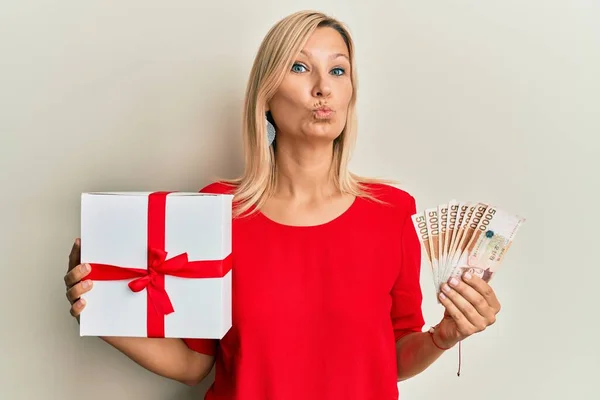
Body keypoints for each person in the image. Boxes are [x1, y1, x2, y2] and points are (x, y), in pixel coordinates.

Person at [63, 10, 501, 400]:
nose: (322, 88)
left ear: (351, 92)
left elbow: (394, 356)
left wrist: (444, 335)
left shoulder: (392, 210)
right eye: (299, 67)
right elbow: (194, 364)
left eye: (338, 70)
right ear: (267, 96)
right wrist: (98, 312)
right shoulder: (217, 209)